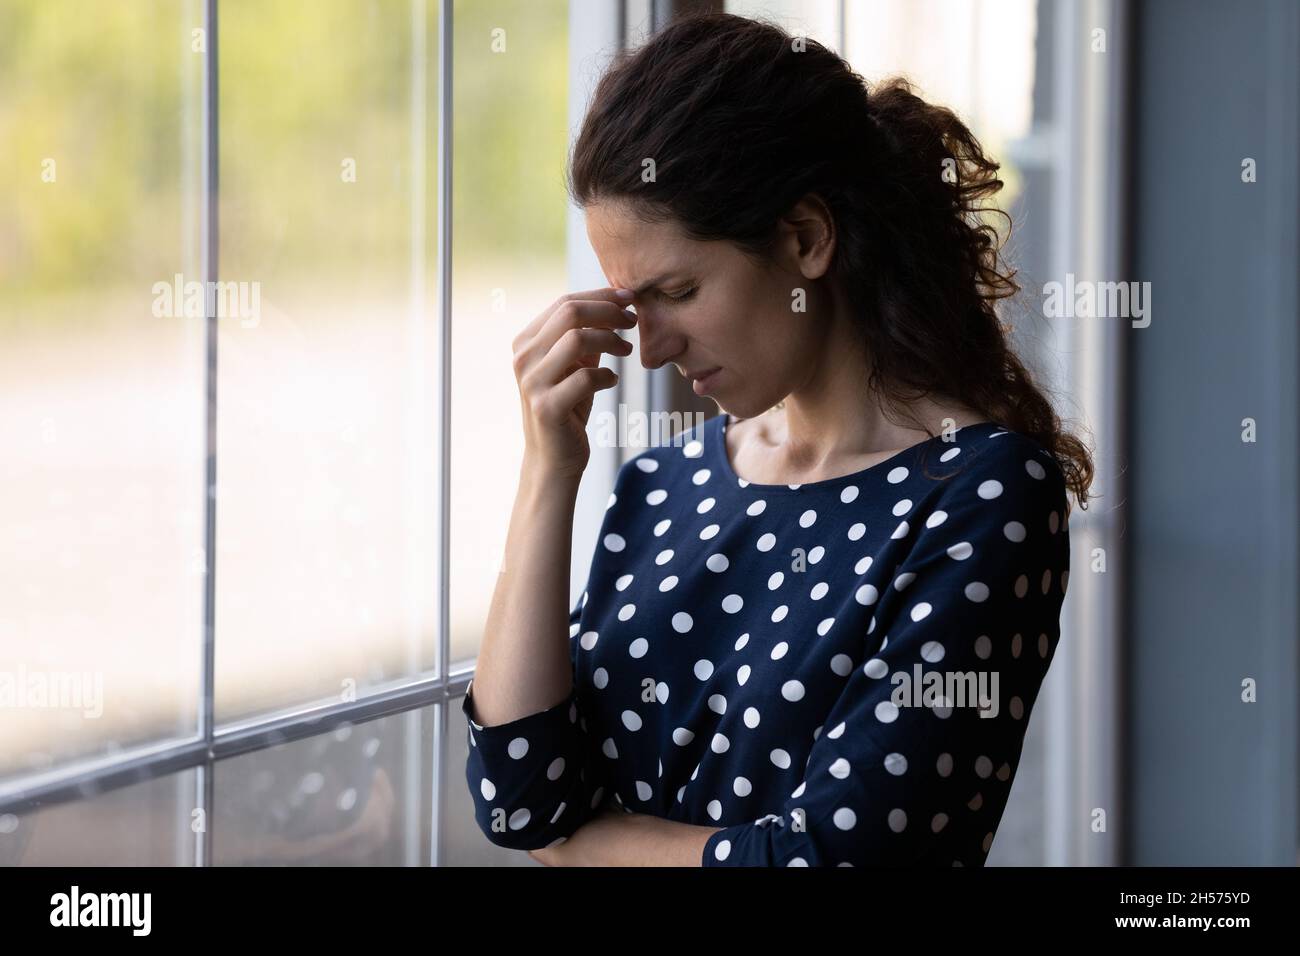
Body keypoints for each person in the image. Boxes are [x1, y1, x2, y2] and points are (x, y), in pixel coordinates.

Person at [461, 11, 1094, 867]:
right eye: (630, 303)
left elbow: (835, 859)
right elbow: (517, 795)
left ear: (805, 238)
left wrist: (580, 847)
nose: (651, 347)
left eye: (677, 290)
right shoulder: (665, 483)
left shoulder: (980, 496)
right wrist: (547, 468)